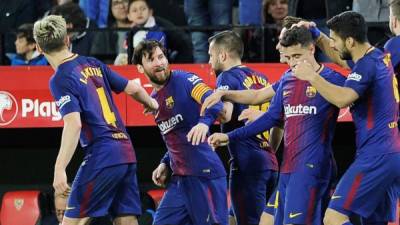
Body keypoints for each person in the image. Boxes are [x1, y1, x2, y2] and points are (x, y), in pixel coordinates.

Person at [208, 26, 346, 225]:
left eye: (297, 56)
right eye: (289, 57)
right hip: (286, 167)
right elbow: (269, 114)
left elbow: (354, 97)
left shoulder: (332, 79)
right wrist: (229, 135)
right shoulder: (287, 78)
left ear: (312, 49)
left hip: (312, 167)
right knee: (266, 221)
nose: (292, 63)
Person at [33, 15, 158, 225]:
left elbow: (74, 124)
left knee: (71, 222)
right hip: (125, 150)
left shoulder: (60, 79)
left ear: (38, 48)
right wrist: (152, 104)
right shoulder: (93, 63)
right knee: (126, 220)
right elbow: (134, 88)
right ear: (67, 40)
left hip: (102, 154)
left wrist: (59, 169)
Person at [292, 11, 400, 225]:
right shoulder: (377, 57)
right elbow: (343, 61)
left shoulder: (367, 66)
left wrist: (311, 76)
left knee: (334, 218)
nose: (332, 45)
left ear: (349, 41)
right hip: (391, 153)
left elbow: (343, 98)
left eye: (335, 40)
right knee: (372, 222)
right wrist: (316, 34)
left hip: (375, 155)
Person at [132, 40, 228, 225]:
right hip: (179, 181)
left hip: (205, 175)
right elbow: (177, 138)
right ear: (140, 68)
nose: (159, 63)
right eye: (151, 59)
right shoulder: (152, 101)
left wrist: (204, 123)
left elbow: (214, 101)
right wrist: (165, 162)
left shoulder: (185, 80)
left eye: (161, 57)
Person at [207, 30, 280, 225]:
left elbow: (226, 114)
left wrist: (205, 104)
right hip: (270, 163)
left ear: (222, 55)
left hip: (246, 164)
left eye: (211, 55)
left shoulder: (225, 77)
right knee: (232, 219)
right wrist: (269, 150)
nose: (209, 62)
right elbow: (278, 123)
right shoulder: (262, 78)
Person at [114, 0, 166, 65]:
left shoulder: (158, 33)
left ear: (150, 12)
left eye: (143, 9)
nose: (139, 13)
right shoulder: (129, 33)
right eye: (135, 10)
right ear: (129, 16)